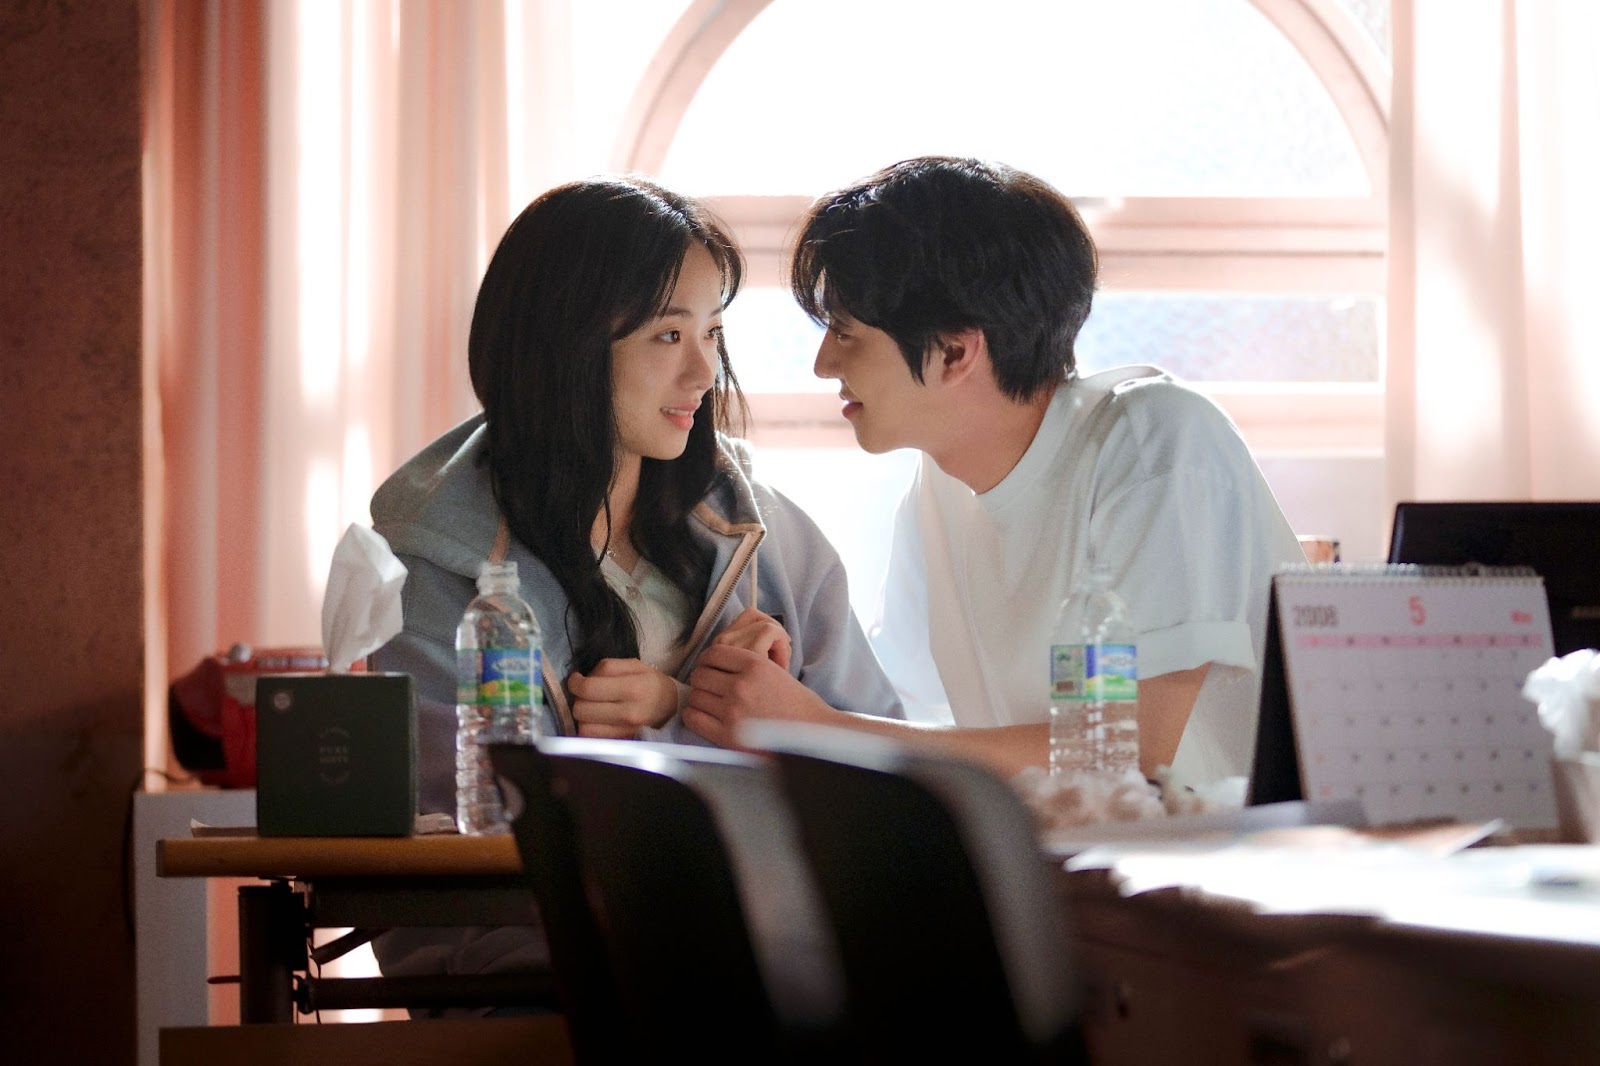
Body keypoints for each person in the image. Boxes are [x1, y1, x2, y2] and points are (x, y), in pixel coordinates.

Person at [366, 175, 902, 1000]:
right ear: (566, 344)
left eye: (713, 332)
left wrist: (698, 712)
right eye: (667, 335)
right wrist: (699, 733)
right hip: (539, 983)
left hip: (768, 968)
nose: (704, 370)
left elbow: (889, 791)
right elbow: (467, 844)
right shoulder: (433, 565)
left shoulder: (770, 539)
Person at [685, 156, 1306, 788]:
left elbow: (1124, 750)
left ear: (955, 351)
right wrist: (779, 674)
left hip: (1232, 843)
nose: (823, 364)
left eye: (846, 334)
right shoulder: (938, 488)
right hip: (1068, 842)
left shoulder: (1150, 442)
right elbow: (905, 719)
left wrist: (817, 727)